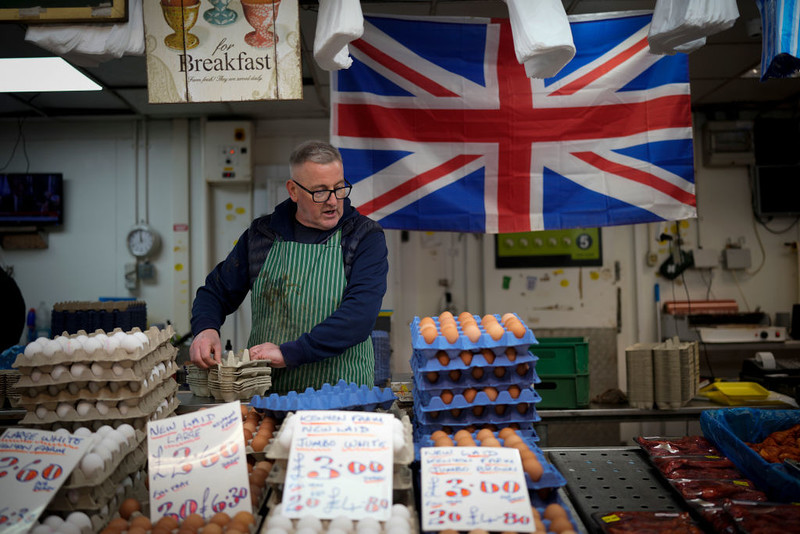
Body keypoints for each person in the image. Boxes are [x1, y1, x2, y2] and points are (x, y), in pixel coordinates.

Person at [189, 140, 389, 393]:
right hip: (268, 395)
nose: (333, 201)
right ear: (293, 191)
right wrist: (205, 328)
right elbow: (216, 292)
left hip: (342, 395)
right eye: (320, 192)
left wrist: (289, 353)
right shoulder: (262, 235)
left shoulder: (363, 236)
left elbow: (358, 317)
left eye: (339, 188)